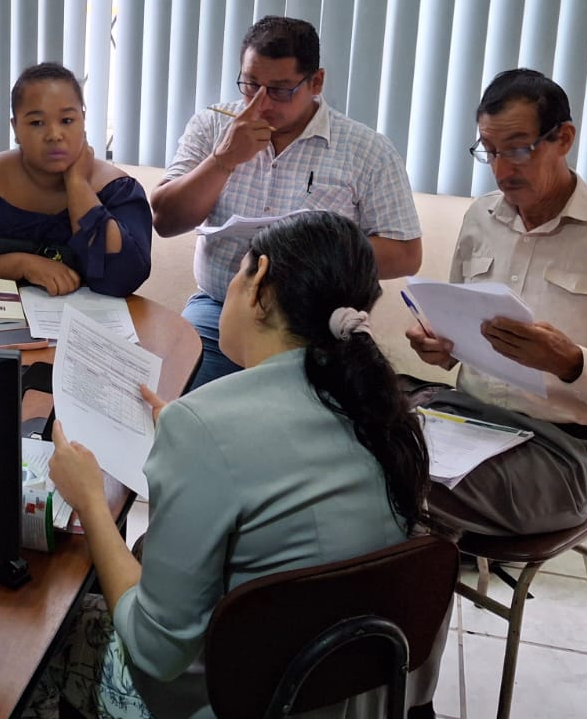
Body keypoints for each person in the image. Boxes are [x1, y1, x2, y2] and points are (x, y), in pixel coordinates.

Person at [28, 210, 439, 719]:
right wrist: (192, 435)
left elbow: (156, 650)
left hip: (235, 700)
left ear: (259, 282)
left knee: (46, 630)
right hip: (342, 693)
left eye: (238, 270)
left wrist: (91, 503)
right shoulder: (378, 409)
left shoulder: (203, 427)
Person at [404, 69, 587, 535]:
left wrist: (572, 364)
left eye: (518, 149)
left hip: (562, 450)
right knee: (358, 434)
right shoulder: (481, 217)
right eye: (489, 151)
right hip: (466, 421)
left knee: (398, 478)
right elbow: (460, 334)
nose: (501, 170)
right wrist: (440, 345)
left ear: (563, 138)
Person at [151, 16, 422, 387]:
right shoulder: (212, 126)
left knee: (319, 416)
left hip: (316, 326)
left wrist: (307, 251)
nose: (260, 103)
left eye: (280, 90)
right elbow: (165, 219)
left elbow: (405, 254)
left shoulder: (367, 150)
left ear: (316, 82)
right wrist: (223, 160)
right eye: (250, 84)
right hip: (219, 311)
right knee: (177, 403)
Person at [0, 63, 152, 305]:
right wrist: (18, 265)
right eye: (36, 123)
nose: (54, 135)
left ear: (83, 120)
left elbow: (122, 280)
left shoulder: (119, 190)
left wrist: (78, 184)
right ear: (16, 129)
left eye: (67, 120)